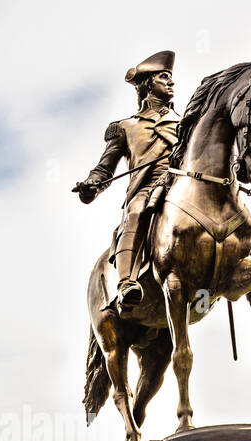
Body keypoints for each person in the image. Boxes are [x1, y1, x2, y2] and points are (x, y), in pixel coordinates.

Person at [73, 50, 179, 307]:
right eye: (164, 77)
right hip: (147, 187)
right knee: (135, 212)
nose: (172, 82)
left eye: (171, 77)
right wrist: (92, 185)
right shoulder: (125, 127)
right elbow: (105, 167)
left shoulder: (185, 123)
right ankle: (126, 282)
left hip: (179, 182)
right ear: (148, 83)